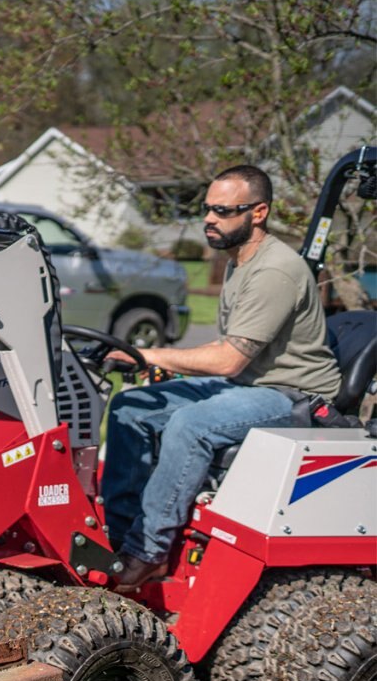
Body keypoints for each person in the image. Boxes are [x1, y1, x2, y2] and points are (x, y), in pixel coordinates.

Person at [100, 164, 341, 587]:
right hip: (250, 382)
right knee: (131, 406)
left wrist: (146, 354)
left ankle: (148, 551)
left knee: (190, 425)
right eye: (208, 209)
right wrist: (163, 363)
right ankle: (119, 535)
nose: (210, 219)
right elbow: (227, 348)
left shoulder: (274, 271)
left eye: (224, 211)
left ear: (259, 212)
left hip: (294, 394)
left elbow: (229, 360)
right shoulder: (239, 262)